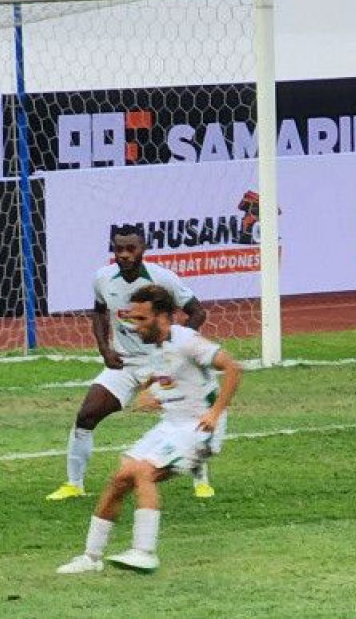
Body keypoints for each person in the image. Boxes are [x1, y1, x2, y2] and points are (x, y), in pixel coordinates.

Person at [56, 284, 241, 575]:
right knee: (120, 478)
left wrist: (215, 413)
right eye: (134, 319)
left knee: (144, 472)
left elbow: (233, 368)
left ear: (164, 317)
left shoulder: (187, 341)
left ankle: (145, 552)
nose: (135, 326)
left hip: (198, 428)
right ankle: (91, 557)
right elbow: (167, 374)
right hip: (171, 425)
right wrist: (152, 391)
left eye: (142, 319)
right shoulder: (156, 347)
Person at [47, 223, 213, 501]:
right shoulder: (103, 278)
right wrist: (104, 348)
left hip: (161, 362)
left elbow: (197, 311)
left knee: (186, 418)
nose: (124, 254)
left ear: (143, 249)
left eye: (130, 248)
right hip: (125, 364)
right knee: (86, 415)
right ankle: (74, 484)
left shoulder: (162, 279)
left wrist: (176, 350)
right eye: (118, 248)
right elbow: (99, 312)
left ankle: (201, 482)